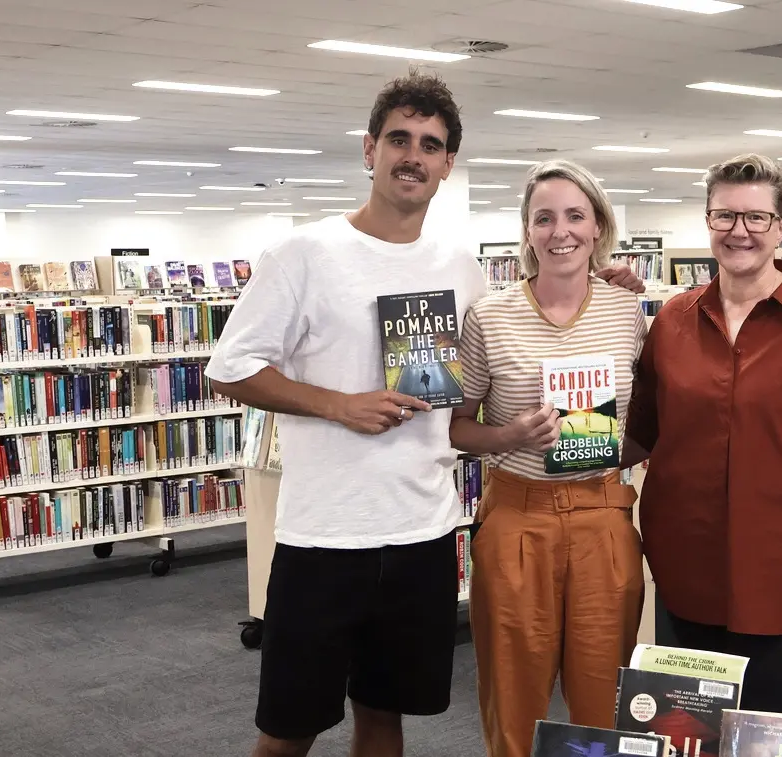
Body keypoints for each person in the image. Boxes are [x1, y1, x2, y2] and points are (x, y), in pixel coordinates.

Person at [206, 72, 644, 757]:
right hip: (325, 532)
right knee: (287, 727)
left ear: (447, 164)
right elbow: (228, 367)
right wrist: (338, 404)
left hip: (424, 530)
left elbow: (491, 366)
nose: (413, 154)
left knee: (386, 717)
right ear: (369, 149)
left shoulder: (460, 267)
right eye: (399, 139)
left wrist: (606, 278)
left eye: (430, 144)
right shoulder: (303, 253)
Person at [623, 153, 782, 717]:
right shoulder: (673, 319)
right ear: (708, 222)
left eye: (756, 218)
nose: (739, 231)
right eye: (724, 217)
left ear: (781, 228)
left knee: (776, 735)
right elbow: (638, 433)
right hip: (687, 572)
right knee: (689, 736)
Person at [450, 160, 647, 757]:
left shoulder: (626, 311)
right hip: (518, 520)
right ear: (528, 232)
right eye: (544, 218)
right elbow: (456, 428)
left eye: (574, 216)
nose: (559, 231)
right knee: (514, 699)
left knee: (603, 702)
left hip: (603, 519)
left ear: (597, 227)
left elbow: (648, 421)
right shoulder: (489, 315)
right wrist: (510, 435)